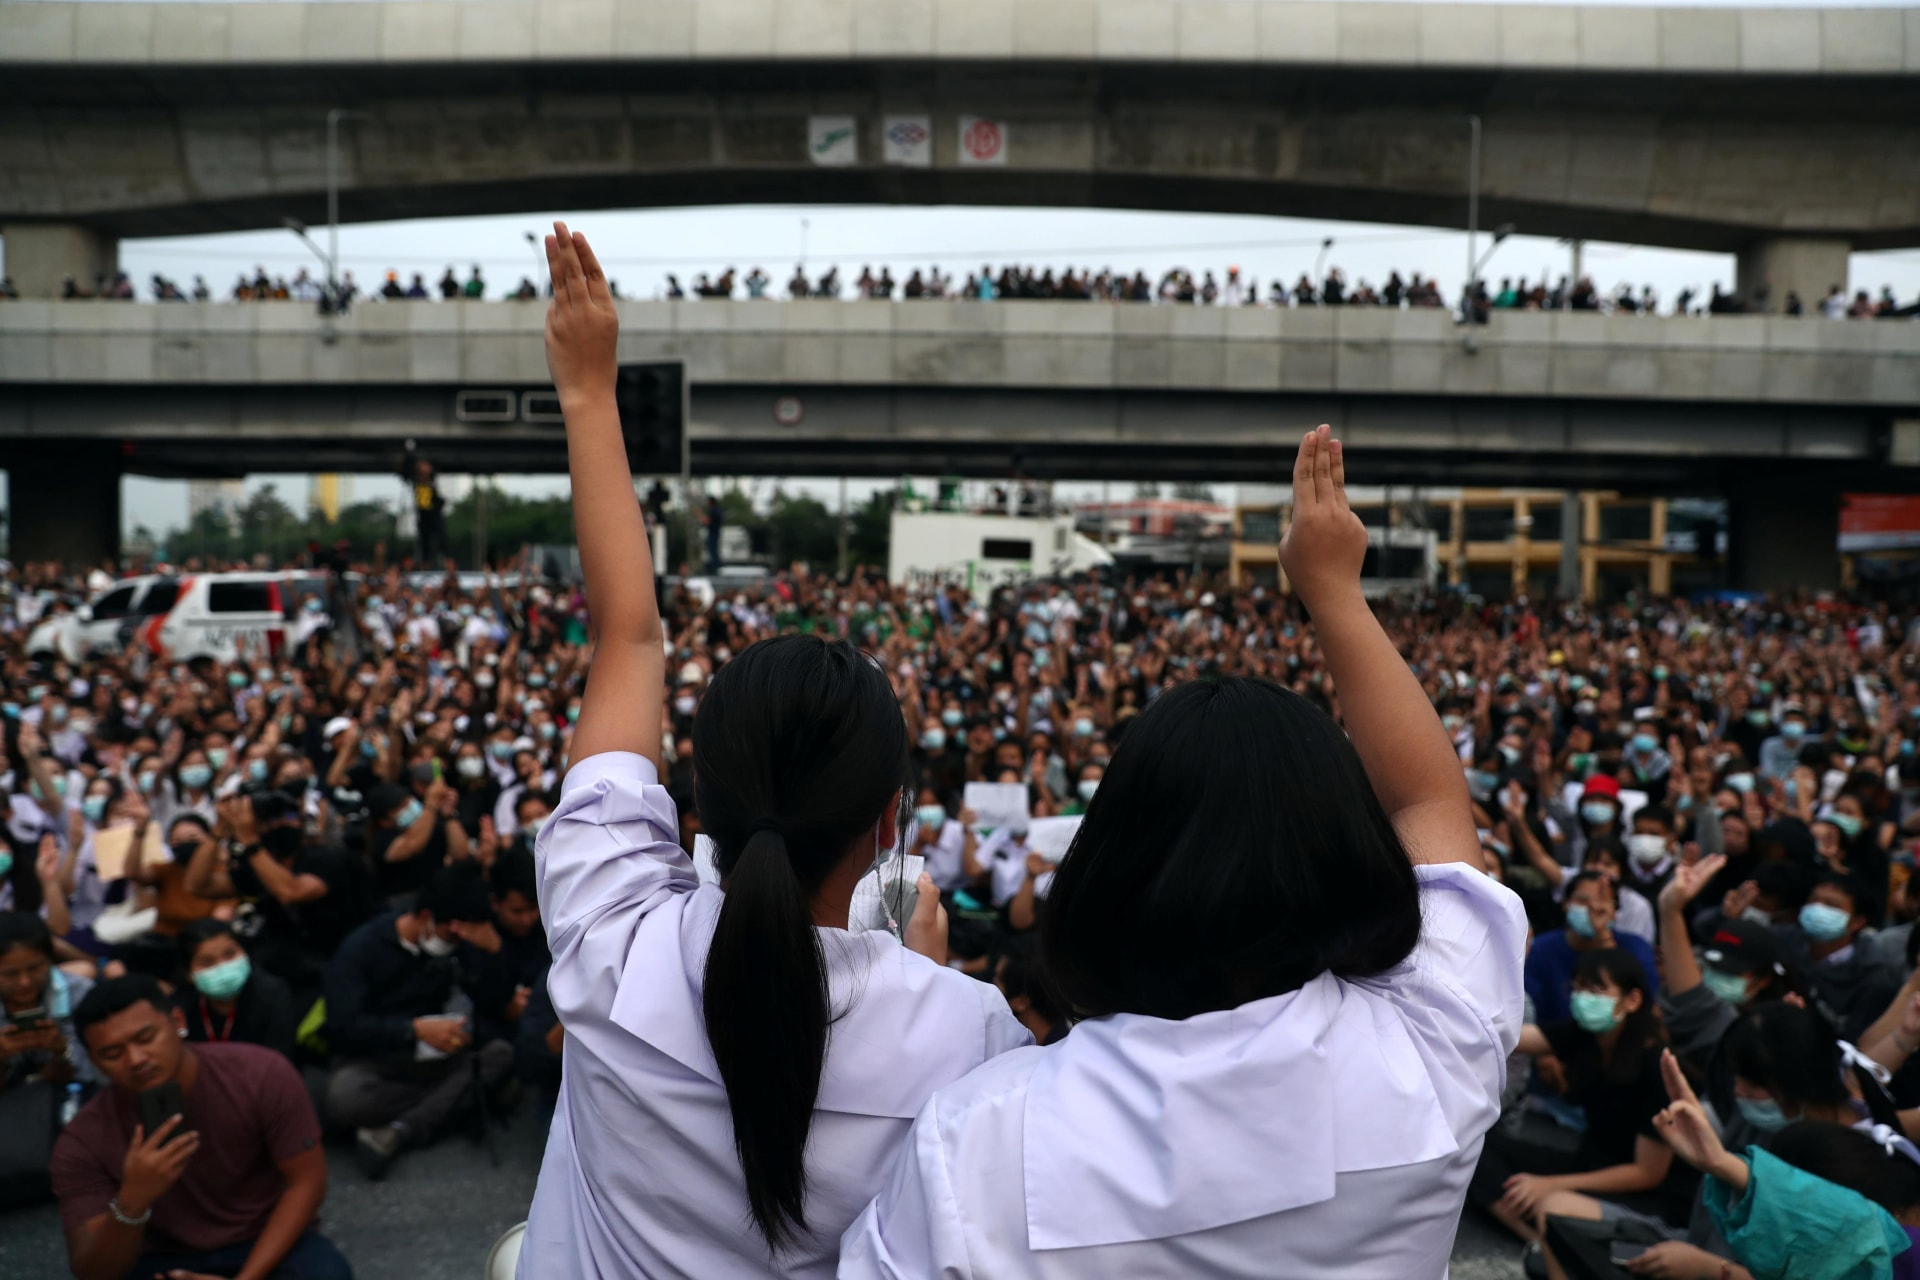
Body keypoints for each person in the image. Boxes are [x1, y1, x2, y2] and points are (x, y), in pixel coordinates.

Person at [842, 426, 1526, 1277]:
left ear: (1114, 868)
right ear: (1342, 858)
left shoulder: (974, 1139)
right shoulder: (1430, 1056)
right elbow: (1429, 803)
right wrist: (1335, 594)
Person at [518, 223, 1029, 1278]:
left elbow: (627, 634)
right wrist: (918, 976)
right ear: (893, 821)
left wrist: (587, 392)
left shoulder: (608, 929)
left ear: (690, 797)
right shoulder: (971, 1030)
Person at [50, 974, 350, 1280]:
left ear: (178, 1021)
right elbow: (93, 1272)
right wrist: (133, 1200)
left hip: (263, 1236)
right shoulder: (82, 1142)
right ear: (94, 1062)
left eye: (146, 1039)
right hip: (161, 1255)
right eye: (113, 1054)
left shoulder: (261, 1075)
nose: (136, 1059)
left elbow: (306, 1183)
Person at [1472, 949, 1691, 1242]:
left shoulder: (1655, 1065)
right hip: (1588, 1164)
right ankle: (1537, 1238)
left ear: (1633, 1000)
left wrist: (1551, 1185)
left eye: (1597, 989)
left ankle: (1552, 1236)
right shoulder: (1585, 1035)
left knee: (1554, 1205)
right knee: (1474, 1146)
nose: (1584, 997)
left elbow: (1647, 1173)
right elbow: (1512, 1038)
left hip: (1644, 1194)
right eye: (1579, 987)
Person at [321, 864, 512, 1179]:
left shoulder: (462, 941)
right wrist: (412, 1030)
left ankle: (399, 1131)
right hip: (380, 1058)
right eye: (451, 932)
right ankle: (460, 1101)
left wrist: (494, 953)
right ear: (425, 917)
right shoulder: (361, 949)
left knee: (500, 1055)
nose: (457, 940)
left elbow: (495, 1007)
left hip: (439, 1055)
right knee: (344, 1097)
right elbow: (343, 1027)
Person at [1526, 869, 1660, 1024]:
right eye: (1582, 901)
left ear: (1614, 912)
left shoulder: (1636, 947)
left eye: (1602, 902)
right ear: (1565, 903)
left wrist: (1602, 935)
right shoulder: (1542, 949)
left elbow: (1646, 1007)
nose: (1592, 908)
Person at [177, 919, 300, 1062]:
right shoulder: (180, 1008)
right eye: (207, 962)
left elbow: (281, 1059)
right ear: (189, 974)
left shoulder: (273, 994)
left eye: (230, 954)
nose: (223, 967)